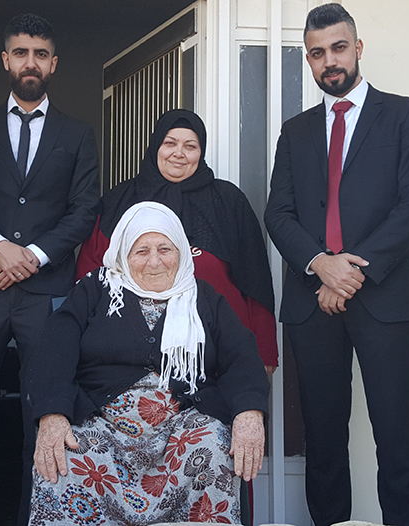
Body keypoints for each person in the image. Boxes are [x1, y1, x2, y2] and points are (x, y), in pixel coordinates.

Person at [265, 3, 409, 526]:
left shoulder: (405, 115)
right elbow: (278, 213)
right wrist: (321, 264)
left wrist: (350, 271)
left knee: (397, 435)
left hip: (385, 297)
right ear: (308, 60)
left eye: (339, 48)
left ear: (357, 48)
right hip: (312, 302)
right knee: (322, 440)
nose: (329, 61)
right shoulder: (295, 131)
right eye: (317, 53)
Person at [0, 13, 100, 525]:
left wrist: (30, 255)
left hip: (47, 295)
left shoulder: (78, 134)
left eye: (40, 54)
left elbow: (84, 209)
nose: (30, 62)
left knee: (44, 423)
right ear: (6, 60)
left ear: (53, 64)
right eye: (20, 52)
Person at [26, 201, 268, 525]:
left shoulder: (202, 297)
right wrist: (53, 415)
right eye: (141, 251)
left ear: (180, 251)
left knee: (213, 443)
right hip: (102, 427)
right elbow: (55, 349)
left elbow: (241, 356)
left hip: (183, 428)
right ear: (123, 253)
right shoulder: (95, 290)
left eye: (164, 249)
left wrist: (249, 413)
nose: (154, 261)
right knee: (64, 452)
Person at [76, 108, 278, 374]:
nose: (179, 153)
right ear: (156, 147)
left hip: (221, 347)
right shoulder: (119, 201)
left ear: (201, 152)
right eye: (170, 143)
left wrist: (264, 351)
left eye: (190, 146)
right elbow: (89, 274)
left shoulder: (228, 200)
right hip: (130, 352)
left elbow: (255, 279)